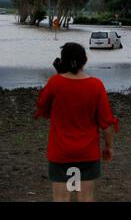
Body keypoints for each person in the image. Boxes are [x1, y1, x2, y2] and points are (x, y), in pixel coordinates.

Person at [34, 42, 119, 202]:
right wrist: (108, 147)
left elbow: (43, 110)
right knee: (86, 198)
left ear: (62, 61)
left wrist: (60, 75)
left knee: (61, 198)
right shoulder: (96, 85)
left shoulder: (54, 83)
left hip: (60, 152)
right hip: (87, 152)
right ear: (85, 60)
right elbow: (106, 123)